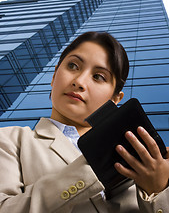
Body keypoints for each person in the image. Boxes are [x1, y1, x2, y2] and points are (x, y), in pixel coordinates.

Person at [0, 31, 169, 213]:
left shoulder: (139, 163)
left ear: (115, 99)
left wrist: (157, 190)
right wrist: (94, 166)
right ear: (54, 75)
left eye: (98, 77)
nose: (79, 81)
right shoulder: (11, 139)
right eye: (73, 66)